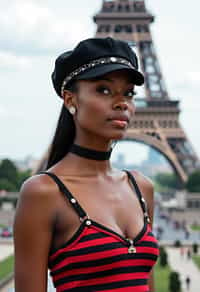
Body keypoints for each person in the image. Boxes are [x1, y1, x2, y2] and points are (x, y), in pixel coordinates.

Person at [14, 37, 159, 292]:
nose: (121, 102)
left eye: (129, 93)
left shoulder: (142, 188)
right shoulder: (43, 193)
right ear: (70, 100)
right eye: (103, 89)